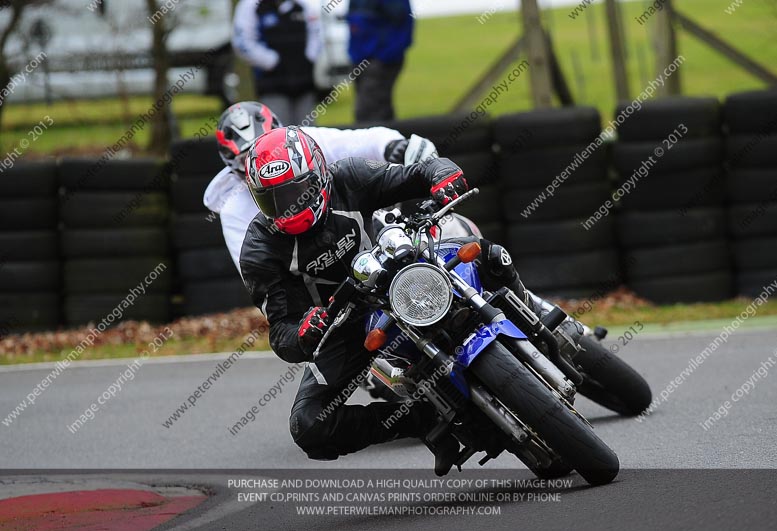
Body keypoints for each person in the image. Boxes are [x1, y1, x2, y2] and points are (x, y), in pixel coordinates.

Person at [238, 126, 537, 475]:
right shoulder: (259, 248)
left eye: (295, 192)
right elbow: (281, 331)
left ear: (318, 174)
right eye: (272, 200)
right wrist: (303, 332)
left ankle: (530, 315)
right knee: (308, 424)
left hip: (403, 266)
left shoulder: (348, 177)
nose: (288, 207)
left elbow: (419, 173)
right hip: (345, 321)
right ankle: (424, 420)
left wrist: (443, 176)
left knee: (487, 254)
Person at [203, 101, 438, 274]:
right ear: (234, 167)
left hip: (366, 230)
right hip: (311, 272)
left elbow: (362, 140)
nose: (269, 166)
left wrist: (390, 147)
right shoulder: (233, 206)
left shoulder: (305, 142)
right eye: (249, 160)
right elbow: (254, 270)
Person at [232, 0, 321, 124]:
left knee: (307, 135)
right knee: (278, 134)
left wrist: (308, 59)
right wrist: (273, 61)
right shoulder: (251, 6)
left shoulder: (303, 5)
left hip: (304, 84)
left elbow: (316, 33)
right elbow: (242, 43)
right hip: (272, 86)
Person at [347, 0, 413, 122]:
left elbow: (402, 20)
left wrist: (384, 55)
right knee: (376, 111)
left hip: (380, 60)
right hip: (361, 59)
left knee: (369, 113)